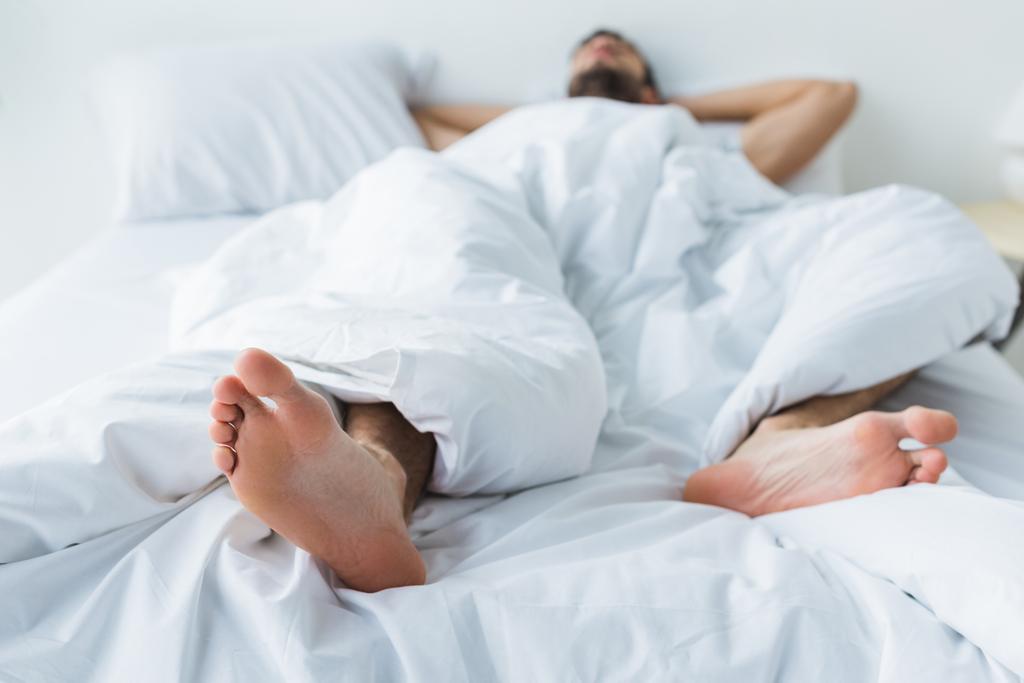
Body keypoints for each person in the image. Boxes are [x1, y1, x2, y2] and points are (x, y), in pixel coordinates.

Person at [205, 29, 957, 592]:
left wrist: (656, 110)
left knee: (920, 235)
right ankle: (368, 482)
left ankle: (779, 444)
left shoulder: (689, 138)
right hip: (500, 233)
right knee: (431, 251)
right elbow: (422, 117)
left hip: (674, 258)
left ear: (654, 89)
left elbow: (829, 96)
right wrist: (551, 110)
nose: (602, 43)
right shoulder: (503, 141)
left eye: (621, 47)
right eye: (588, 46)